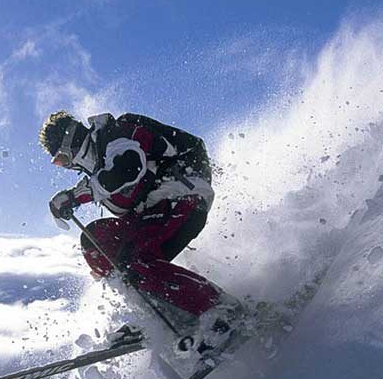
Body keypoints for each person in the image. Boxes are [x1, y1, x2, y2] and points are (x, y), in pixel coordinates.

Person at [39, 110, 246, 362]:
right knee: (96, 241)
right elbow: (122, 196)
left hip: (182, 196)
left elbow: (128, 167)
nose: (67, 166)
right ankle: (162, 311)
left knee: (134, 262)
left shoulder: (116, 133)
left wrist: (75, 195)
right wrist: (80, 194)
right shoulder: (100, 168)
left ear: (70, 143)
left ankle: (223, 311)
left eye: (61, 159)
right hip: (151, 211)